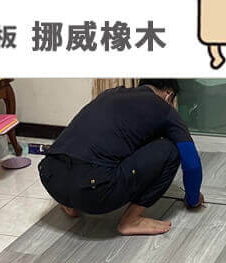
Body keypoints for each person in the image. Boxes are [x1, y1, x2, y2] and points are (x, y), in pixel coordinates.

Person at [37, 79, 204, 236]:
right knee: (170, 150)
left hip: (50, 177)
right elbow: (192, 164)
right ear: (168, 94)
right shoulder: (164, 108)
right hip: (92, 192)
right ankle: (131, 220)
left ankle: (70, 204)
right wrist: (193, 199)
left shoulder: (110, 94)